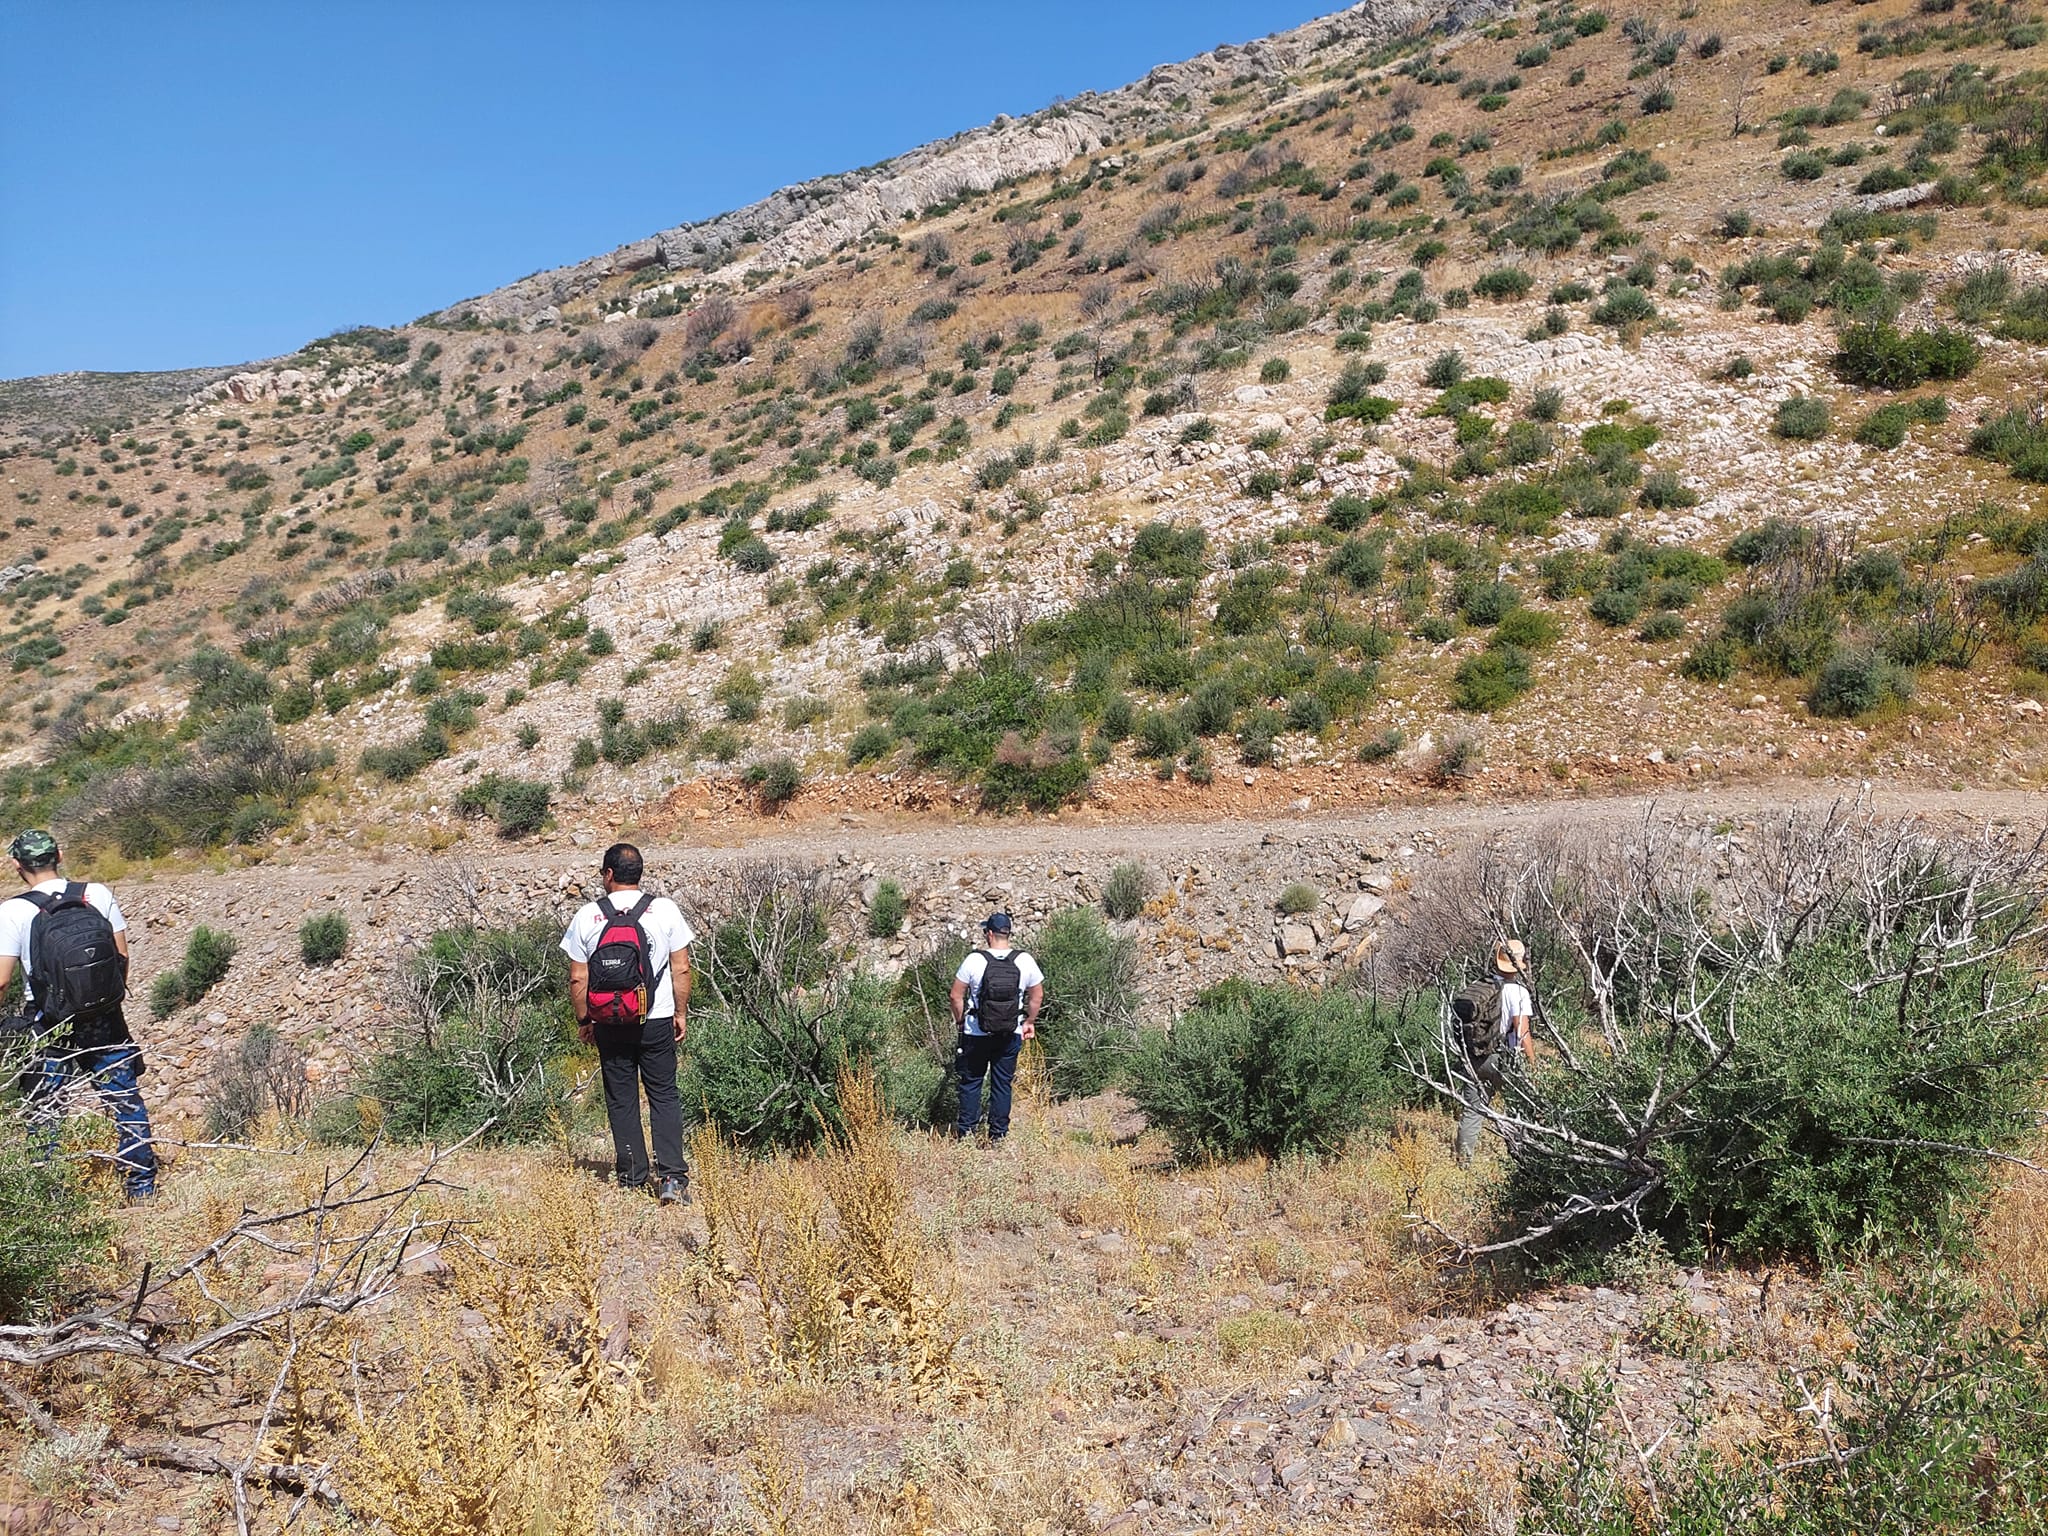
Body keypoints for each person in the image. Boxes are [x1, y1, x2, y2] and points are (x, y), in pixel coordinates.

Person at [0, 830, 155, 1201]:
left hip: (48, 1026)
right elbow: (122, 957)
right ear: (60, 855)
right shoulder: (96, 893)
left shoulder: (12, 911)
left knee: (46, 1110)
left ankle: (52, 1197)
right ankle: (141, 1188)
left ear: (17, 866)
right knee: (124, 1101)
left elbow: (2, 981)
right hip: (105, 1019)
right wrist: (105, 1002)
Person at [561, 842, 694, 1204]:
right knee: (664, 1095)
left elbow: (577, 978)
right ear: (640, 873)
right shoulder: (664, 910)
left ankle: (632, 1178)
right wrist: (680, 1012)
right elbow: (681, 967)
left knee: (621, 1098)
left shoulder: (587, 916)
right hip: (656, 1017)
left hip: (609, 1021)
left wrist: (585, 1020)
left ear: (608, 874)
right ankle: (672, 1180)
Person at [950, 912, 1044, 1143]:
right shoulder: (1024, 960)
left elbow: (955, 996)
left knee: (971, 1082)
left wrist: (961, 1022)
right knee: (1002, 1083)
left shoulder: (974, 960)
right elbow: (1037, 995)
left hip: (976, 1033)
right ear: (1007, 933)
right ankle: (998, 1135)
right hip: (1010, 1031)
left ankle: (967, 1135)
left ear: (989, 934)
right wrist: (1029, 1022)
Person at [1453, 938, 1536, 1166]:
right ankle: (1525, 1160)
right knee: (1522, 1109)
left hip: (1474, 1056)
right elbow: (1522, 1033)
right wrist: (1533, 1065)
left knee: (1472, 1111)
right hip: (1503, 1058)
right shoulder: (1518, 992)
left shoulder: (1481, 986)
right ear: (1519, 964)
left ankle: (1463, 1164)